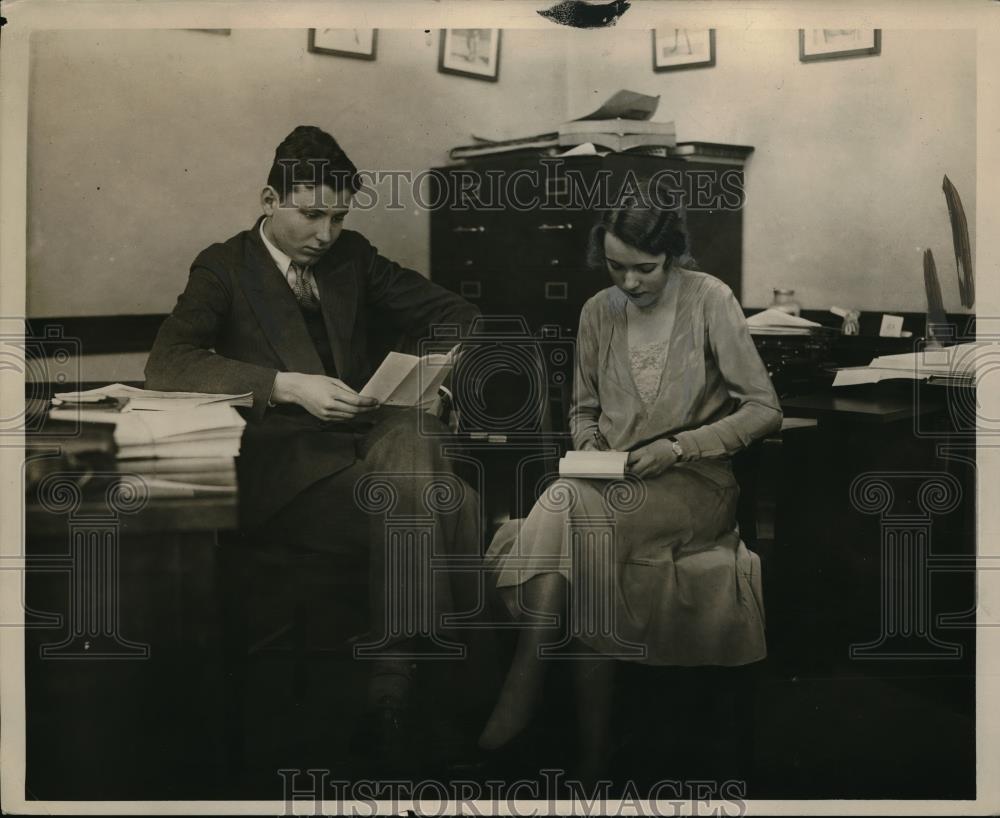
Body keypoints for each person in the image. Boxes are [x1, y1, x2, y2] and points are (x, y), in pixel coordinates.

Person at [144, 125, 483, 754]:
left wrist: (425, 379)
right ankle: (434, 682)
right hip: (292, 474)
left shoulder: (351, 256)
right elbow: (168, 363)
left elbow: (455, 315)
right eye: (310, 213)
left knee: (414, 433)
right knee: (454, 504)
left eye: (337, 215)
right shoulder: (224, 266)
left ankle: (397, 681)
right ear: (269, 200)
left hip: (372, 448)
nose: (325, 233)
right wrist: (287, 385)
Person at [479, 177, 782, 777]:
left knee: (569, 508)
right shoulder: (598, 310)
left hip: (694, 488)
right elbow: (584, 409)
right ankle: (590, 755)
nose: (629, 283)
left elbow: (764, 409)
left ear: (673, 255)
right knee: (578, 512)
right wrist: (589, 444)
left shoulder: (710, 299)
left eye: (644, 268)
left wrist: (679, 446)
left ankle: (526, 684)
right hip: (609, 486)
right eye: (616, 268)